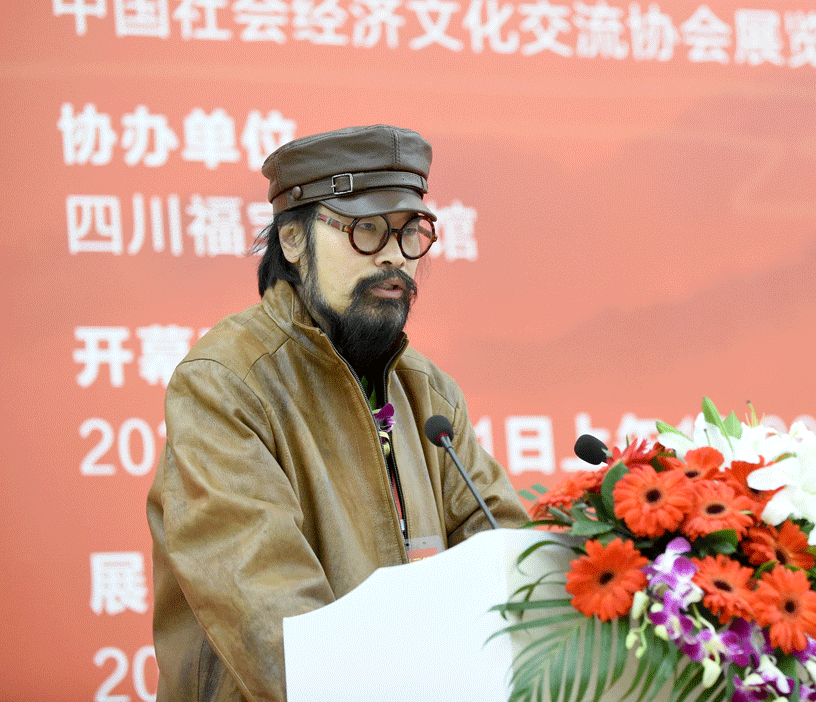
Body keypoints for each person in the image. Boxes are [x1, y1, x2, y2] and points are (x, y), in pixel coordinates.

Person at [146, 125, 529, 702]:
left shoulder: (427, 391)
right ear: (293, 240)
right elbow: (278, 628)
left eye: (410, 232)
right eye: (366, 229)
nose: (394, 257)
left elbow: (504, 553)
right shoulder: (225, 384)